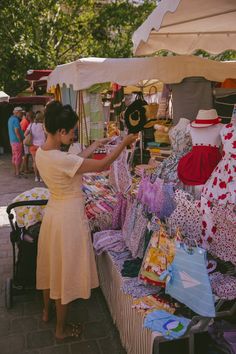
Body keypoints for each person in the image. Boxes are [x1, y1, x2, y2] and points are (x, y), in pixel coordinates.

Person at [35, 101, 137, 340]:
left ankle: (46, 313)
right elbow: (102, 165)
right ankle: (61, 330)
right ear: (61, 132)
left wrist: (95, 145)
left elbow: (75, 162)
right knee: (65, 274)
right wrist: (123, 143)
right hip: (69, 219)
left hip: (54, 214)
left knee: (51, 266)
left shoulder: (43, 152)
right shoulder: (62, 159)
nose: (72, 136)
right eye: (71, 132)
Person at [25, 111, 46, 182]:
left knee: (35, 161)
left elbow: (25, 134)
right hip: (42, 146)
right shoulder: (43, 125)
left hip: (33, 145)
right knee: (42, 162)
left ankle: (36, 177)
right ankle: (42, 178)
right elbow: (47, 135)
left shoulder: (31, 125)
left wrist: (32, 134)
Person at [8, 106, 25, 177]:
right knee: (18, 157)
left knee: (14, 156)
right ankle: (18, 173)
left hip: (12, 141)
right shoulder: (15, 120)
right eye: (21, 113)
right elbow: (16, 131)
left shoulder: (10, 119)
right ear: (17, 112)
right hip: (17, 141)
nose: (22, 114)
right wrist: (20, 141)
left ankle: (16, 171)